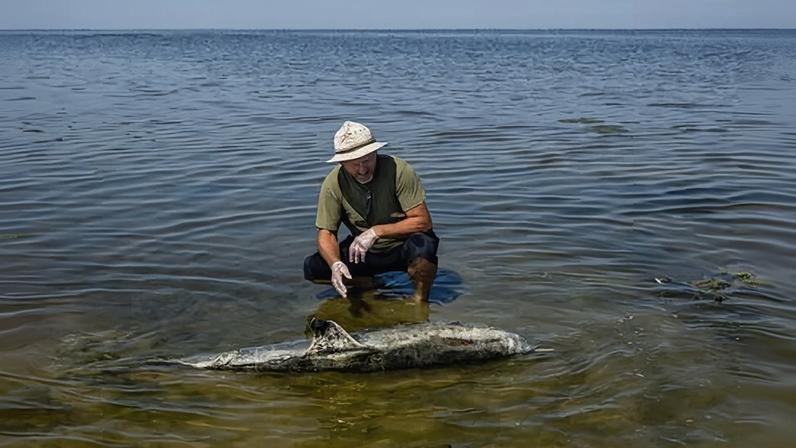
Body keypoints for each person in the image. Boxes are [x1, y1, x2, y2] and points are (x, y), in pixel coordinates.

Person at [303, 121, 439, 302]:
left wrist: (376, 232)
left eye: (367, 160)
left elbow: (423, 222)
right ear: (342, 163)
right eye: (354, 164)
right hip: (363, 252)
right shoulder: (333, 184)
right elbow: (326, 234)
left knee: (423, 253)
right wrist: (335, 263)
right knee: (313, 268)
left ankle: (420, 300)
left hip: (403, 246)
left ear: (376, 153)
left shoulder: (399, 170)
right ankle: (368, 285)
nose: (362, 169)